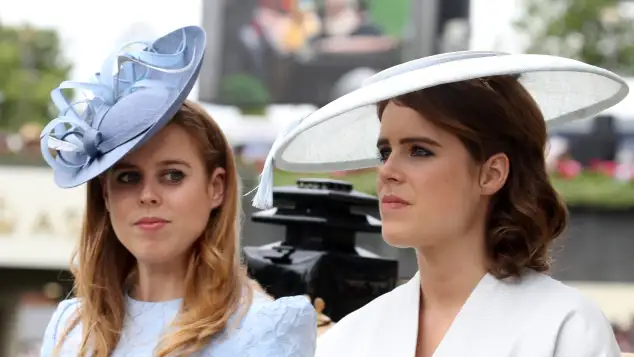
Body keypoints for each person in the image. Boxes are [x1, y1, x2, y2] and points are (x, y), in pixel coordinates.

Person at [251, 51, 630, 356]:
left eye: (419, 150)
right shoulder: (351, 337)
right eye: (386, 152)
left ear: (491, 173)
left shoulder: (565, 328)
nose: (388, 172)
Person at [39, 26, 316, 357]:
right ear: (105, 195)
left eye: (172, 175)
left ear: (216, 187)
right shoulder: (70, 328)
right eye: (128, 178)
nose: (148, 195)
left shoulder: (267, 328)